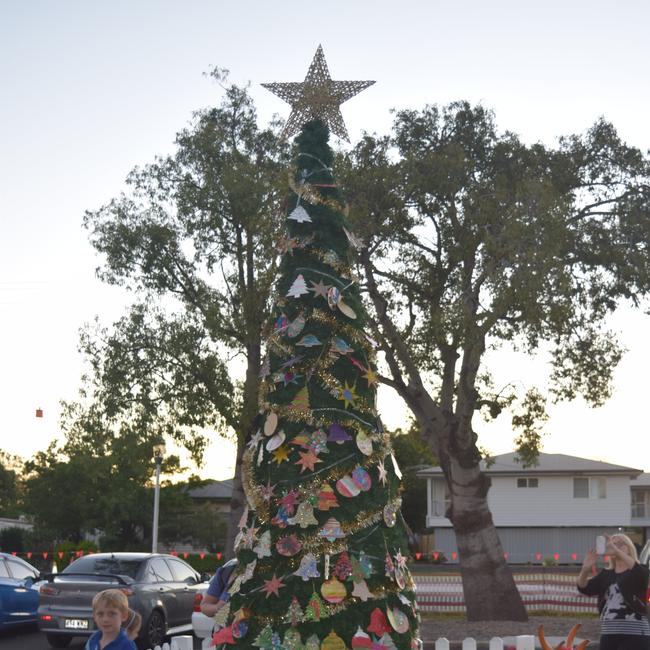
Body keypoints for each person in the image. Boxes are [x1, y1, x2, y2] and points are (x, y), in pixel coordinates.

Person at [577, 533, 650, 650]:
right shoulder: (606, 574)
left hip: (636, 633)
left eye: (621, 544)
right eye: (613, 544)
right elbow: (584, 588)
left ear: (630, 548)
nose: (615, 546)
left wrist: (616, 550)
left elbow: (640, 573)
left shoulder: (639, 570)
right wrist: (585, 570)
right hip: (609, 633)